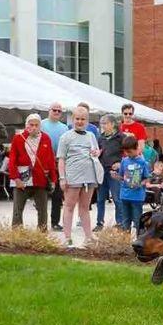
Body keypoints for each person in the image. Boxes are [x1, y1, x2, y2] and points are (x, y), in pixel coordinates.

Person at [56, 104, 101, 247]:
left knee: (85, 207)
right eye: (77, 119)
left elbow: (96, 152)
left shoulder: (91, 136)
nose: (80, 122)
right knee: (69, 206)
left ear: (87, 121)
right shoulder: (65, 137)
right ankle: (67, 237)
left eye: (83, 119)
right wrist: (62, 178)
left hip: (90, 177)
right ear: (72, 119)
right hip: (72, 177)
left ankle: (88, 237)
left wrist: (96, 153)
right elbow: (61, 159)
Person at [8, 113, 56, 229]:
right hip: (22, 179)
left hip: (40, 179)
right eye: (31, 125)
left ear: (40, 126)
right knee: (17, 210)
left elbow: (51, 160)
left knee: (42, 210)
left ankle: (42, 234)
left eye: (36, 125)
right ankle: (17, 234)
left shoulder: (46, 138)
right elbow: (12, 160)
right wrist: (16, 178)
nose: (34, 127)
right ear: (26, 125)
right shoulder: (18, 138)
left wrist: (53, 179)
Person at [40, 103, 70, 231]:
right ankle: (41, 223)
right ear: (49, 111)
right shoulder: (41, 124)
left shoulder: (64, 128)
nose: (57, 112)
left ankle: (55, 222)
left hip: (58, 164)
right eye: (54, 110)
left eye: (59, 111)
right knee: (41, 195)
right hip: (42, 163)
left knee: (57, 196)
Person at [113, 134, 150, 233]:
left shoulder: (143, 162)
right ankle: (126, 241)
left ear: (137, 148)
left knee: (138, 220)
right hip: (125, 195)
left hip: (137, 196)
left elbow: (147, 179)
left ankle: (139, 239)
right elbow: (121, 177)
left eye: (130, 151)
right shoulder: (124, 161)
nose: (128, 154)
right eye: (126, 152)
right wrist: (116, 176)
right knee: (125, 220)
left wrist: (140, 184)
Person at [96, 114, 124, 230]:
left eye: (105, 123)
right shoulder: (100, 138)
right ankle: (99, 223)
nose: (103, 126)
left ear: (112, 124)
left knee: (117, 198)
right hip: (102, 171)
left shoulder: (121, 137)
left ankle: (120, 223)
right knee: (100, 199)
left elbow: (128, 153)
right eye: (101, 123)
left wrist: (120, 163)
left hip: (115, 172)